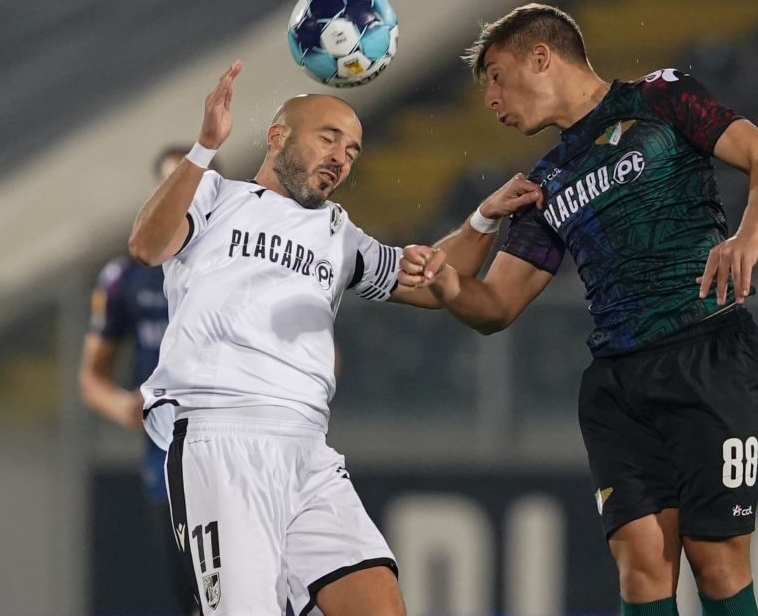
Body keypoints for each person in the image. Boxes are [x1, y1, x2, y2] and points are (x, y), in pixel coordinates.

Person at [399, 4, 758, 616]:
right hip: (618, 382)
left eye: (498, 78)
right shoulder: (546, 181)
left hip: (710, 353)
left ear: (541, 57)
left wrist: (747, 237)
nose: (492, 102)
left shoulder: (661, 100)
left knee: (715, 558)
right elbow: (499, 303)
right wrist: (452, 287)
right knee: (642, 566)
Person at [127, 60, 541, 615]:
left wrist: (483, 220)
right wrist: (204, 149)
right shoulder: (214, 196)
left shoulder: (338, 232)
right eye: (329, 138)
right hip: (221, 435)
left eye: (351, 151)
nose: (340, 158)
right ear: (278, 137)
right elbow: (147, 247)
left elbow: (428, 280)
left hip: (307, 449)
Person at [80, 146, 214, 616]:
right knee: (194, 600)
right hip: (168, 460)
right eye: (173, 185)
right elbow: (92, 378)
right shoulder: (126, 280)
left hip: (240, 448)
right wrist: (121, 406)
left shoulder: (242, 265)